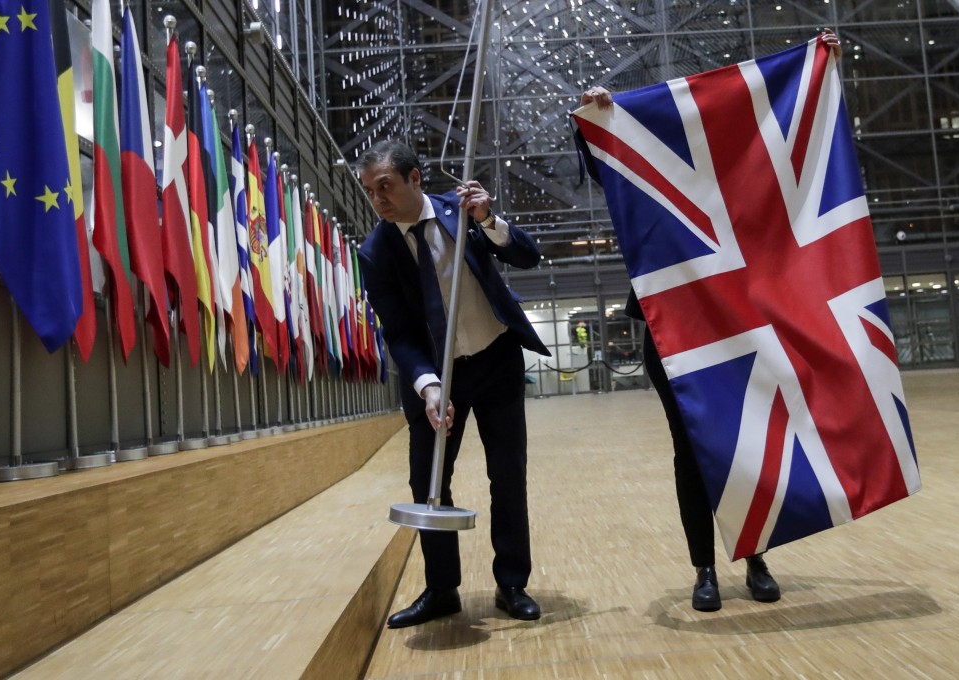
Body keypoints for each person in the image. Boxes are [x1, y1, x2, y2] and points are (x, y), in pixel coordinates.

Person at [579, 30, 842, 612]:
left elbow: (793, 167)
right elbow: (621, 176)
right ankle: (704, 567)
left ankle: (756, 556)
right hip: (674, 337)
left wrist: (819, 70)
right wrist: (598, 121)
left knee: (749, 442)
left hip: (742, 327)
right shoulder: (666, 184)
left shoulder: (748, 183)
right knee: (693, 449)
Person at [355, 140, 551, 628]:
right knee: (428, 484)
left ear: (415, 179)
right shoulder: (375, 252)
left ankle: (512, 584)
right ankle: (442, 590)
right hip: (435, 382)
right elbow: (398, 330)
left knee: (507, 475)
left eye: (387, 187)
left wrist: (488, 220)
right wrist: (428, 386)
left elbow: (528, 256)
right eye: (370, 192)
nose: (379, 200)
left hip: (496, 361)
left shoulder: (462, 211)